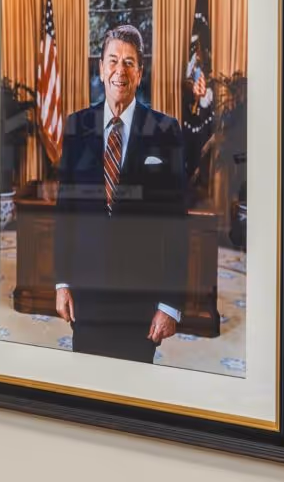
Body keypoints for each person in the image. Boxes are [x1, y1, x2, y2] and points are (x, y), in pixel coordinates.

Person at [52, 24, 189, 364]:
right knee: (87, 389)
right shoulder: (75, 126)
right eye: (113, 61)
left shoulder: (166, 131)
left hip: (139, 299)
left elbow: (176, 226)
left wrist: (169, 304)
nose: (120, 71)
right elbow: (65, 212)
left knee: (134, 394)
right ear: (100, 68)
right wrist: (62, 282)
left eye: (129, 63)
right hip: (87, 296)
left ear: (140, 73)